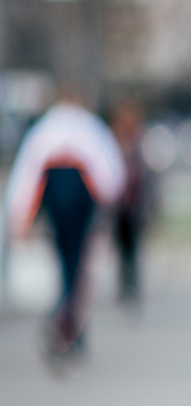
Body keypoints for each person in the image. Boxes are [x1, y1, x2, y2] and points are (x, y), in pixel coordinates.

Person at [7, 91, 124, 358]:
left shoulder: (45, 128)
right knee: (77, 263)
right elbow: (109, 173)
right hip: (81, 200)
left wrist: (21, 217)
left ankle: (66, 318)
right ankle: (68, 321)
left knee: (65, 260)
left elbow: (26, 176)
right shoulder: (89, 126)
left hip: (57, 201)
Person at [110, 101, 154, 306]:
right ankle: (124, 287)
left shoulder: (139, 149)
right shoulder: (115, 149)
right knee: (122, 249)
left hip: (135, 207)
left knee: (133, 249)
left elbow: (148, 181)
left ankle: (132, 286)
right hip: (119, 209)